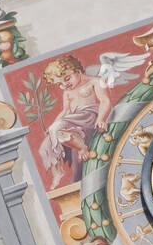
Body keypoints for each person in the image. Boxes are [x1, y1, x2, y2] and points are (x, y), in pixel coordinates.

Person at [40, 55, 112, 189]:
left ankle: (82, 148)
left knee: (56, 129)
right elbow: (65, 111)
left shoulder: (95, 81)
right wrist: (53, 125)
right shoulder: (67, 92)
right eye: (59, 84)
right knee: (46, 144)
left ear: (77, 71)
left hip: (88, 116)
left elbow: (105, 100)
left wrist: (101, 118)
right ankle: (58, 171)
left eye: (67, 79)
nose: (65, 85)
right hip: (73, 119)